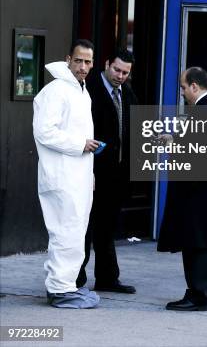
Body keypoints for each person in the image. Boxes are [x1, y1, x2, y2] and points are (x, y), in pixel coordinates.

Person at [158, 67, 207, 311]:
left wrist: (174, 144)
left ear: (194, 86)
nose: (182, 93)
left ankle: (198, 295)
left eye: (183, 87)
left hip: (198, 189)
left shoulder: (205, 111)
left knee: (197, 242)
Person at [33, 39, 100, 309]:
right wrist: (80, 145)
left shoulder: (81, 91)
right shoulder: (56, 90)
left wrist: (89, 172)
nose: (83, 67)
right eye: (78, 61)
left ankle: (66, 285)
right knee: (66, 231)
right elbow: (44, 131)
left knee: (74, 232)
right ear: (68, 59)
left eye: (88, 62)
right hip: (62, 175)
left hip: (77, 175)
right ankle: (60, 288)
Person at [76, 48, 137, 294]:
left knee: (107, 227)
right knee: (85, 229)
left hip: (116, 174)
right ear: (106, 63)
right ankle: (75, 279)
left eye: (125, 72)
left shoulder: (127, 93)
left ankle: (107, 278)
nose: (120, 76)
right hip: (90, 171)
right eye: (117, 69)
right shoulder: (88, 90)